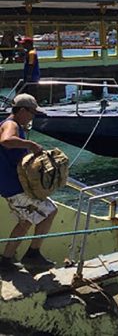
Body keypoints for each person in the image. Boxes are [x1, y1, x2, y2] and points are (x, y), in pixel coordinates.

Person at [0, 94, 56, 271]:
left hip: (9, 185)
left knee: (25, 222)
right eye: (32, 112)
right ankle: (33, 254)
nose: (33, 116)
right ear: (22, 110)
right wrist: (30, 144)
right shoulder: (11, 124)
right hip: (14, 187)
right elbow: (6, 141)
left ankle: (5, 260)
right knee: (50, 211)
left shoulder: (15, 125)